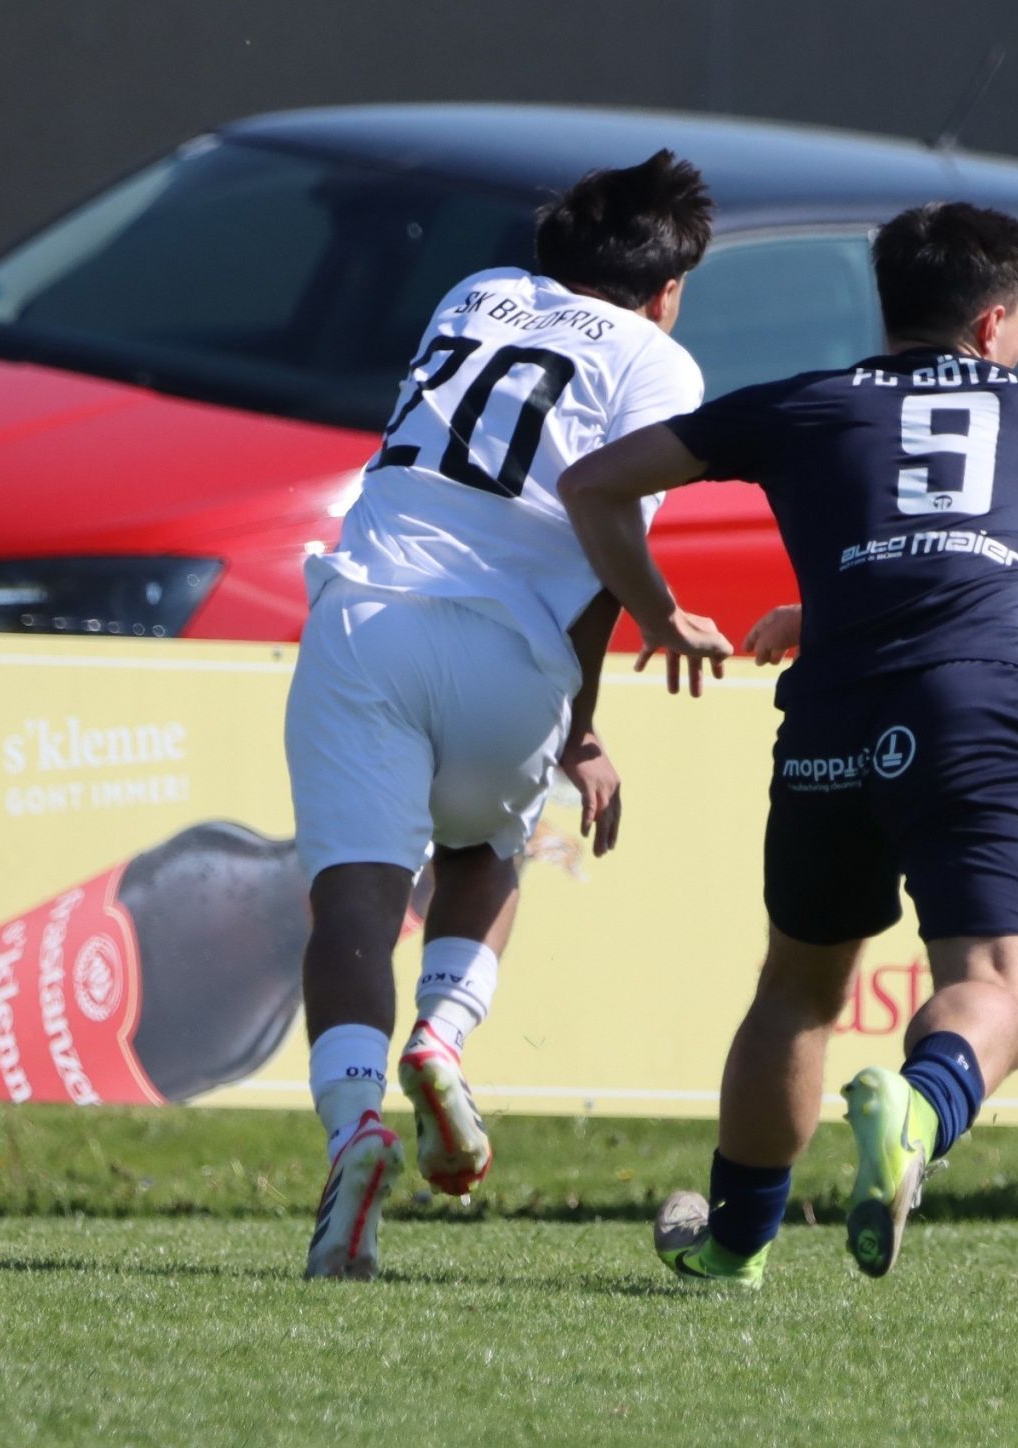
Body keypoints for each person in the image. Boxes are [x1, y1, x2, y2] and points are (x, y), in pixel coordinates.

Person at [559, 201, 1018, 1287]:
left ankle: (734, 1242)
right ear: (991, 325)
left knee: (796, 988)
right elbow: (961, 543)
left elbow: (591, 484)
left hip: (830, 715)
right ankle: (917, 1112)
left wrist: (657, 615)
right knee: (1004, 983)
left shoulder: (801, 405)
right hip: (970, 711)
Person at [285, 150, 730, 1279]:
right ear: (668, 288)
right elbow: (596, 555)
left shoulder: (469, 295)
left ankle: (355, 1131)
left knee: (351, 901)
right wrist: (593, 707)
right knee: (481, 855)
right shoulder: (660, 363)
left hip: (366, 615)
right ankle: (441, 1038)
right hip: (508, 651)